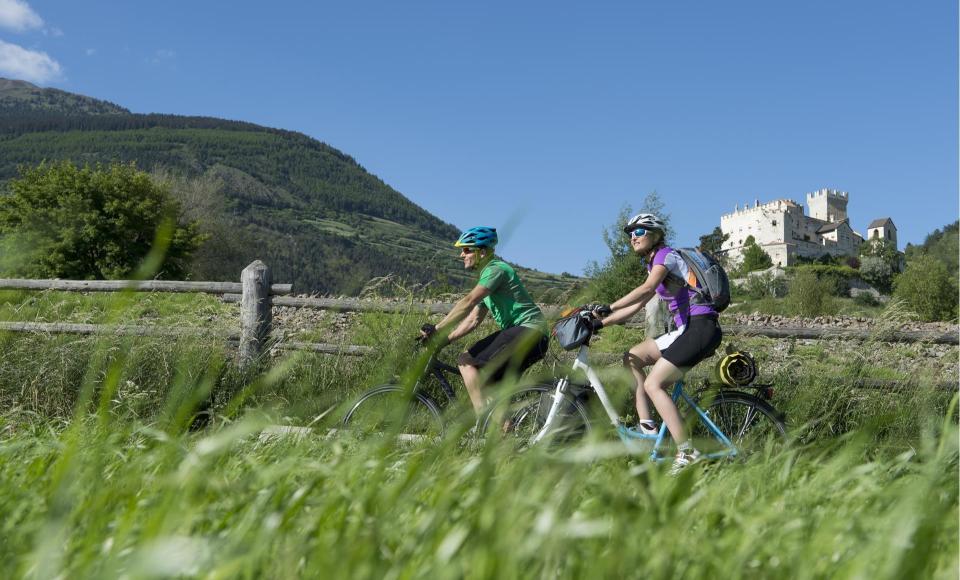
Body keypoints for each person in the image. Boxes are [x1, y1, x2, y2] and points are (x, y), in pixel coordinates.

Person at [585, 213, 722, 473]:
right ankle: (647, 424)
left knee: (653, 383)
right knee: (632, 357)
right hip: (686, 329)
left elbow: (647, 290)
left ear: (655, 235)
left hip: (700, 327)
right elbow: (637, 305)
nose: (632, 238)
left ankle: (688, 452)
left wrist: (609, 306)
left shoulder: (665, 255)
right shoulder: (653, 264)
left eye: (638, 232)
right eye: (629, 234)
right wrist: (600, 323)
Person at [420, 226, 549, 412]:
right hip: (532, 336)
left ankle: (480, 420)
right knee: (493, 391)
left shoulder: (496, 270)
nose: (461, 255)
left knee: (465, 361)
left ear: (481, 251)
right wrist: (445, 340)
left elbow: (468, 301)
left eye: (466, 249)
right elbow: (473, 319)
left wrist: (437, 328)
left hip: (527, 331)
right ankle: (503, 434)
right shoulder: (489, 277)